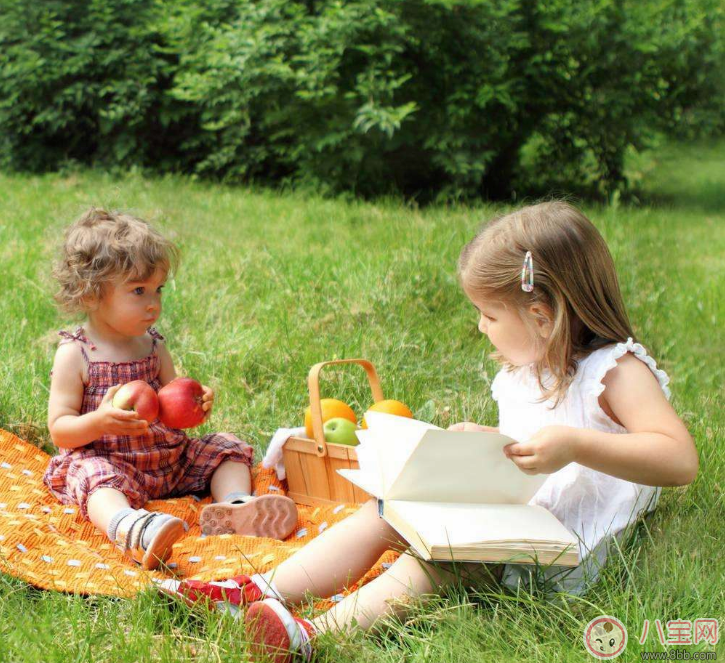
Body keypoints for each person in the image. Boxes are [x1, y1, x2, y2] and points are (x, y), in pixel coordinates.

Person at [160, 201, 698, 661]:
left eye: (488, 314)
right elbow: (538, 442)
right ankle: (260, 590)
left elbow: (678, 459)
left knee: (438, 563)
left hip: (558, 549)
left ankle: (314, 636)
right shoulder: (530, 367)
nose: (481, 327)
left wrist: (575, 445)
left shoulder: (616, 372)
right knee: (387, 513)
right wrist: (486, 444)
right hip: (514, 515)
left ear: (541, 315)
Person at [43, 208, 298, 570]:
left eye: (158, 289)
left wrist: (196, 405)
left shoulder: (153, 345)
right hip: (114, 467)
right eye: (138, 291)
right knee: (91, 477)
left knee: (225, 447)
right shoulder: (77, 354)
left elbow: (171, 411)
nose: (154, 304)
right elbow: (60, 431)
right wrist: (100, 421)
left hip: (168, 462)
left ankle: (236, 507)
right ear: (90, 296)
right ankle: (130, 527)